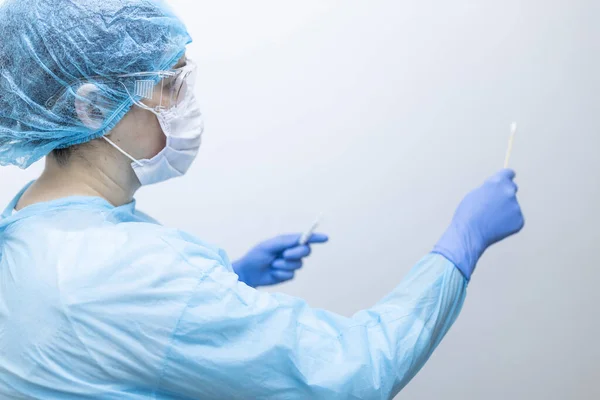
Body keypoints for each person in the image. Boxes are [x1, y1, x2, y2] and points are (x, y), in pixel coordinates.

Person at [0, 0, 524, 399]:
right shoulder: (136, 271)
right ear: (93, 109)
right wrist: (463, 241)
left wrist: (233, 279)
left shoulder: (27, 222)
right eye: (170, 83)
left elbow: (113, 336)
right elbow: (355, 371)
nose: (188, 102)